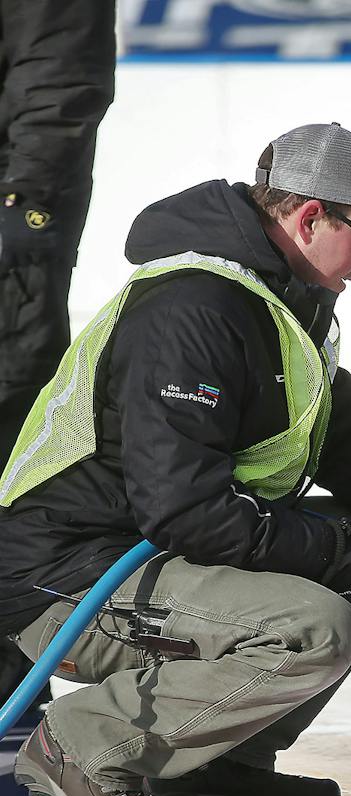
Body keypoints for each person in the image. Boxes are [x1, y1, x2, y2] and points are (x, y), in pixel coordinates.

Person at [0, 123, 351, 796]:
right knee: (315, 625)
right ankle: (84, 743)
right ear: (309, 216)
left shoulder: (278, 305)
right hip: (66, 581)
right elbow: (183, 509)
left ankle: (215, 764)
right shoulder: (196, 309)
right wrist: (330, 555)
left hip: (138, 557)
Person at [0, 2, 117, 718]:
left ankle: (8, 664)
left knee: (8, 421)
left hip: (14, 227)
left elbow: (61, 74)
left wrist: (29, 204)